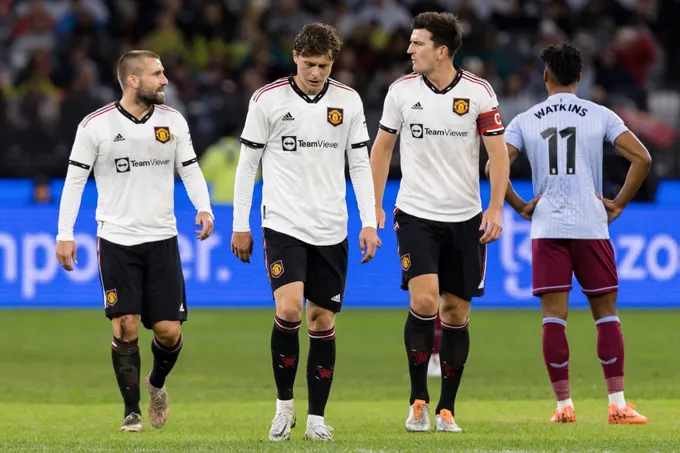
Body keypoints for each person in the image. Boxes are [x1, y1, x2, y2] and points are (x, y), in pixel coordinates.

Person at [230, 23, 380, 442]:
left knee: (321, 318)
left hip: (332, 226)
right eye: (310, 64)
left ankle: (316, 418)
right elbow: (247, 166)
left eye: (325, 65)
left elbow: (360, 165)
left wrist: (368, 219)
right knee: (291, 308)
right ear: (295, 57)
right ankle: (283, 409)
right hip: (283, 223)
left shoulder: (347, 101)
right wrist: (240, 224)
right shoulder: (267, 100)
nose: (317, 73)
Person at [490, 43, 650, 424]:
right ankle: (617, 404)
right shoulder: (600, 114)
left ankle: (563, 407)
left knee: (553, 319)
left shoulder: (525, 119)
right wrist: (618, 203)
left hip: (547, 226)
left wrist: (519, 205)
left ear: (545, 76)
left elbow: (493, 165)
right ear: (579, 77)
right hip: (591, 225)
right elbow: (642, 157)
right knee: (606, 316)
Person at [55, 50, 215, 432]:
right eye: (157, 74)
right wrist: (64, 234)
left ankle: (156, 385)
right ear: (133, 80)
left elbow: (189, 169)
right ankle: (132, 412)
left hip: (162, 238)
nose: (165, 80)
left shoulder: (172, 121)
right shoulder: (96, 125)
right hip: (116, 240)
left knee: (168, 332)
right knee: (124, 326)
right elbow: (75, 181)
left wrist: (204, 208)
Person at [370, 12, 510, 433]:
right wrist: (374, 205)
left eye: (418, 43)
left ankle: (447, 408)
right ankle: (418, 401)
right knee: (426, 301)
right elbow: (381, 150)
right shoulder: (400, 92)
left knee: (455, 310)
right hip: (415, 213)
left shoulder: (479, 93)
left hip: (465, 217)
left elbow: (498, 155)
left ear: (442, 50)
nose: (409, 49)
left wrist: (496, 208)